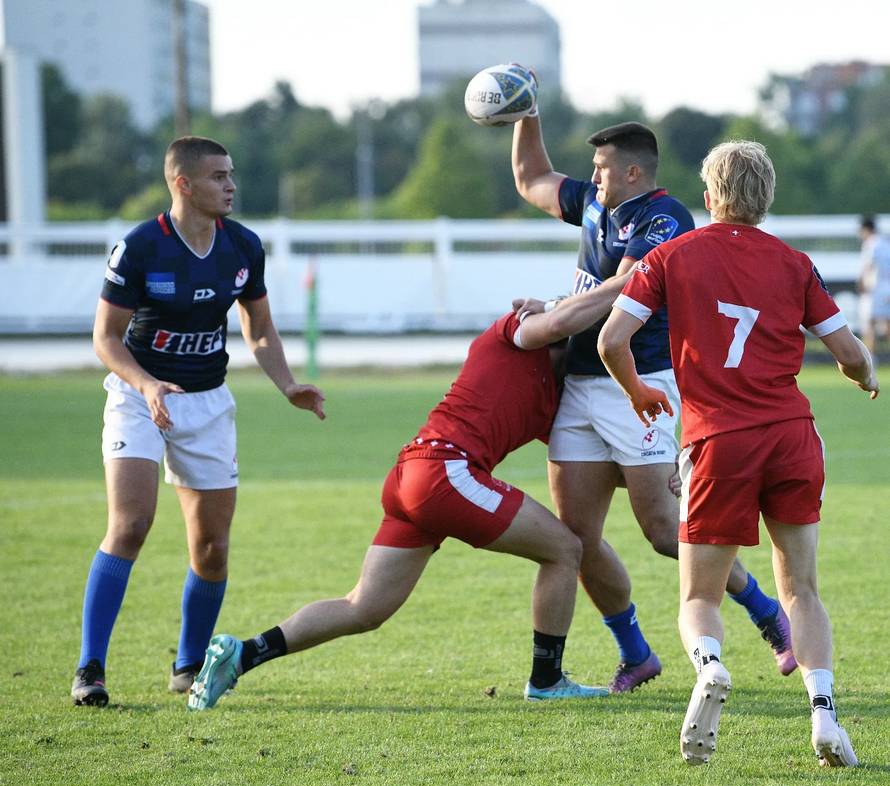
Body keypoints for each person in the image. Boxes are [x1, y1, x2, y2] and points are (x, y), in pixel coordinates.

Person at [186, 282, 633, 711]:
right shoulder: (517, 332)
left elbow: (592, 467)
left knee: (364, 607)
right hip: (445, 471)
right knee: (565, 549)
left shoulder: (556, 397)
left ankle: (242, 655)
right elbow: (556, 324)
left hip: (413, 474)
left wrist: (655, 476)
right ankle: (547, 679)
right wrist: (629, 280)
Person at [598, 140, 879, 766]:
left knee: (698, 596)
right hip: (790, 437)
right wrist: (865, 379)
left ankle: (710, 667)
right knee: (801, 588)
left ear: (707, 197)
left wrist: (638, 391)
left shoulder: (670, 255)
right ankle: (826, 716)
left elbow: (612, 339)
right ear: (767, 198)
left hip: (717, 439)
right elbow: (851, 353)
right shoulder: (794, 263)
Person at [511, 100, 795, 692]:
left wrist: (555, 314)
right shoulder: (593, 203)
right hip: (581, 389)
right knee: (576, 540)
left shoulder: (664, 218)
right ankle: (636, 653)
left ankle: (769, 615)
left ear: (634, 173)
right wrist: (526, 112)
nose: (592, 176)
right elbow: (531, 180)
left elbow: (623, 286)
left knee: (666, 531)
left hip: (636, 385)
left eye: (602, 167)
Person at [70, 136, 326, 707]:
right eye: (218, 177)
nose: (231, 185)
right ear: (183, 184)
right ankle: (90, 669)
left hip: (207, 402)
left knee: (211, 547)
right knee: (131, 525)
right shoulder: (139, 248)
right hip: (139, 395)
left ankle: (187, 666)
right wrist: (146, 384)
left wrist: (288, 384)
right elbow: (105, 339)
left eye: (231, 174)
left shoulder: (242, 246)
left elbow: (258, 329)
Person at [857, 215, 890, 355]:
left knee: (869, 325)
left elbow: (868, 266)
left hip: (874, 289)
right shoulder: (885, 243)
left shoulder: (870, 244)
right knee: (887, 324)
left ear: (865, 229)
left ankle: (870, 362)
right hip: (887, 287)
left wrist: (861, 282)